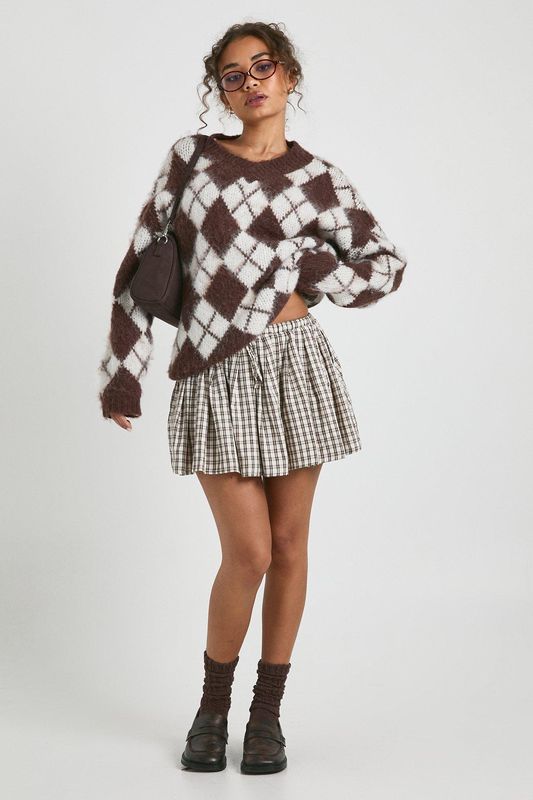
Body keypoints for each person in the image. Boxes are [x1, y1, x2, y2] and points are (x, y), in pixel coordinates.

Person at [97, 21, 407, 775]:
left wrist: (311, 269)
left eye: (262, 67)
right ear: (221, 90)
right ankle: (211, 709)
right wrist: (124, 370)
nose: (250, 83)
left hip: (295, 364)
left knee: (291, 547)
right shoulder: (191, 160)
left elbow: (385, 267)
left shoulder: (320, 181)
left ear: (289, 75)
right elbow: (141, 264)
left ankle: (266, 716)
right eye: (233, 75)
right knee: (250, 551)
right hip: (213, 370)